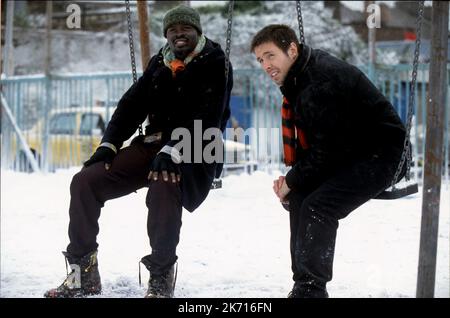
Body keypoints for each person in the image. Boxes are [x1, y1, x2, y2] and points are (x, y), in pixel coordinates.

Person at [45, 5, 232, 298]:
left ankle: (160, 277)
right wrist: (108, 146)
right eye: (172, 30)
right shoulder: (160, 62)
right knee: (85, 181)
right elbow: (130, 106)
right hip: (153, 146)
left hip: (194, 149)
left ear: (197, 31)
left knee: (163, 184)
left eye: (185, 29)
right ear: (167, 34)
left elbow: (208, 116)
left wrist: (172, 150)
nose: (179, 34)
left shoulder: (215, 62)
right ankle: (83, 275)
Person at [251, 25, 407, 298]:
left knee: (318, 207)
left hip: (383, 155)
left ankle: (311, 291)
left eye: (270, 55)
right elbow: (324, 143)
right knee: (300, 197)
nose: (266, 65)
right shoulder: (302, 75)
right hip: (353, 151)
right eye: (260, 60)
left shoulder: (318, 82)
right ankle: (303, 284)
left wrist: (292, 179)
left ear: (292, 50)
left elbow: (329, 150)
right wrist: (295, 181)